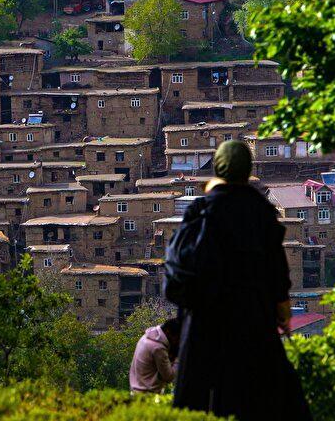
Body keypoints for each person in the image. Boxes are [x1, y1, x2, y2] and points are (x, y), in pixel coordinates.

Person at [165, 140, 311, 420]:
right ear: (248, 170)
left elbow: (178, 272)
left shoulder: (199, 212)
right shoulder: (261, 213)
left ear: (218, 169)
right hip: (252, 322)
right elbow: (278, 276)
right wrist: (282, 313)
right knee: (261, 400)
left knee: (198, 404)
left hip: (203, 326)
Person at [129, 317, 181, 394]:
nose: (177, 342)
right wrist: (178, 358)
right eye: (176, 338)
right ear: (168, 332)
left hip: (136, 391)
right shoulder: (158, 348)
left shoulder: (147, 336)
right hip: (148, 395)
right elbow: (169, 376)